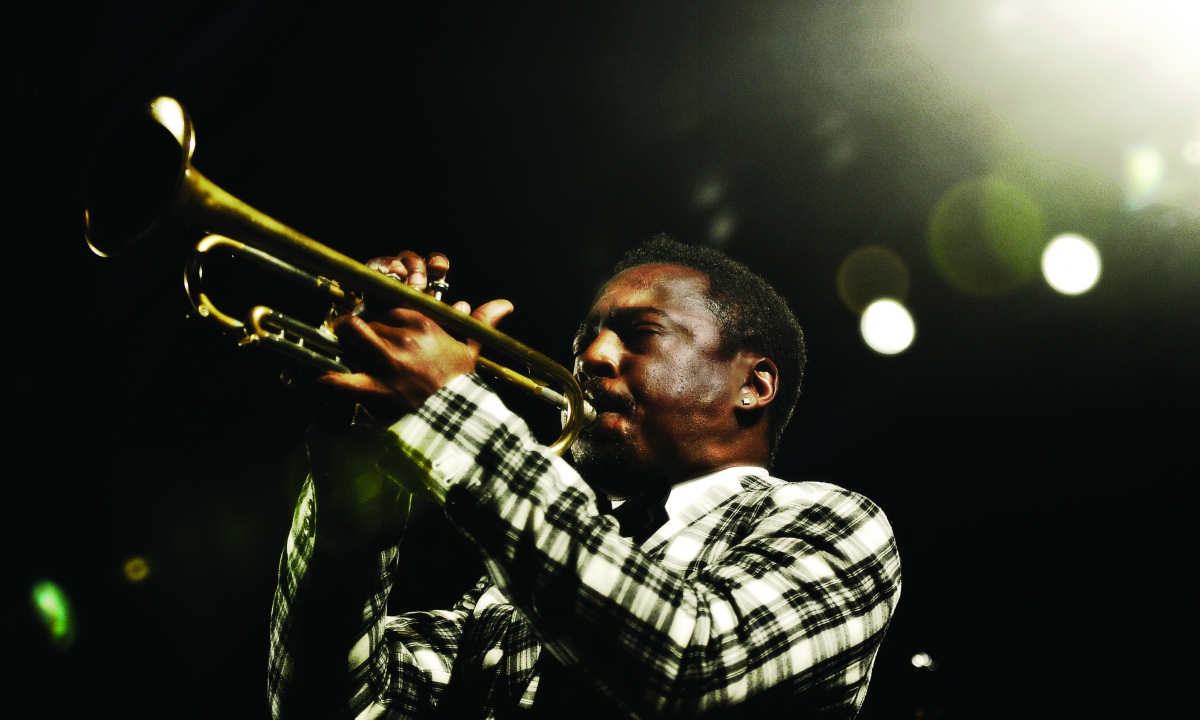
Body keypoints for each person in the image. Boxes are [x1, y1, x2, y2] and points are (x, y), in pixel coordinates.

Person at [268, 236, 902, 719]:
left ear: (753, 385)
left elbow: (691, 663)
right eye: (586, 339)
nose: (592, 357)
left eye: (641, 334)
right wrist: (348, 505)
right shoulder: (510, 590)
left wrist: (449, 410)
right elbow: (337, 707)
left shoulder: (835, 523)